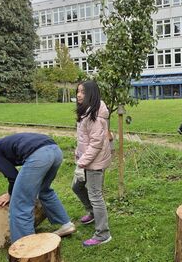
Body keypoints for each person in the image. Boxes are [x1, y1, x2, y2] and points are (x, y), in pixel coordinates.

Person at [0, 133, 76, 243]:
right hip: (55, 151)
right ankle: (66, 224)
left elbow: (13, 176)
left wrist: (9, 194)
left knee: (20, 204)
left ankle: (25, 244)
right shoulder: (1, 145)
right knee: (44, 191)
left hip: (39, 155)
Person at [72, 81, 113, 247]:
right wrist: (78, 154)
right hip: (86, 161)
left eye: (83, 92)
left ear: (92, 94)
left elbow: (96, 144)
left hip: (94, 163)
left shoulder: (94, 116)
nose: (79, 95)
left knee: (96, 196)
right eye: (78, 91)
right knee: (77, 187)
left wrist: (82, 162)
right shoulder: (86, 112)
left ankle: (103, 233)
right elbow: (85, 139)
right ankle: (92, 212)